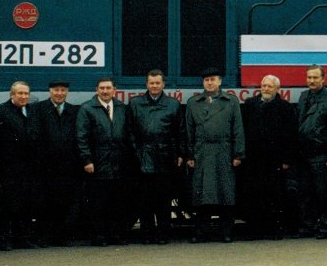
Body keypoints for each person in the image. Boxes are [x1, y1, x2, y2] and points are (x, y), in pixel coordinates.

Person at [183, 68, 244, 243]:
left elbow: (238, 130)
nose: (209, 83)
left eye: (213, 79)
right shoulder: (193, 102)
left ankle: (226, 232)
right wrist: (190, 155)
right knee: (202, 194)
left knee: (225, 193)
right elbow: (189, 131)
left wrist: (238, 154)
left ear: (220, 82)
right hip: (201, 152)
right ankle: (201, 232)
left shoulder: (231, 101)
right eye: (206, 80)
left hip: (224, 151)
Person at [76, 76, 134, 246]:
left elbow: (128, 135)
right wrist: (87, 160)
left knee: (117, 201)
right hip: (98, 163)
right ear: (97, 90)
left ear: (114, 90)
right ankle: (99, 236)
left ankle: (116, 235)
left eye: (108, 88)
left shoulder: (122, 108)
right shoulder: (87, 109)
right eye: (102, 88)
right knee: (98, 202)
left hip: (118, 163)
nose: (105, 91)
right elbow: (82, 137)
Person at [239, 75, 296, 240]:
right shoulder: (250, 105)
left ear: (277, 89)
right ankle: (254, 230)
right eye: (263, 85)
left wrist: (286, 160)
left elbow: (291, 136)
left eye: (269, 86)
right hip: (254, 160)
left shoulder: (285, 108)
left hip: (275, 160)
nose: (265, 89)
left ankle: (274, 230)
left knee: (274, 196)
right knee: (254, 195)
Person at [294, 65, 327, 239]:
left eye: (315, 78)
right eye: (309, 77)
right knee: (305, 192)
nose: (311, 81)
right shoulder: (303, 97)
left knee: (325, 193)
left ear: (323, 79)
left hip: (322, 153)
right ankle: (307, 226)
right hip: (303, 153)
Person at [130, 70, 182, 244]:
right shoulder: (135, 103)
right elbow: (130, 131)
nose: (154, 86)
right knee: (144, 199)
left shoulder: (173, 104)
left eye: (157, 83)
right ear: (146, 84)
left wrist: (179, 154)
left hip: (164, 157)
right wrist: (136, 152)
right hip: (142, 157)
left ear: (163, 84)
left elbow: (179, 132)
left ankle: (163, 234)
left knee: (163, 199)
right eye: (151, 83)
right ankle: (147, 233)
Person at [0, 81, 39, 250]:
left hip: (28, 168)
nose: (23, 96)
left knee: (25, 205)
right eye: (20, 94)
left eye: (26, 94)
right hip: (8, 168)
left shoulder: (32, 111)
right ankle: (4, 239)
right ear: (12, 95)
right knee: (6, 206)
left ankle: (22, 238)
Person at [29, 78, 81, 246]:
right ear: (50, 91)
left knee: (65, 202)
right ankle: (45, 237)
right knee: (45, 203)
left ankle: (62, 237)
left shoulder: (74, 111)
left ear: (67, 92)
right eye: (56, 90)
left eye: (63, 90)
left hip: (67, 166)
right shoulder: (38, 109)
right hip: (46, 166)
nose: (60, 93)